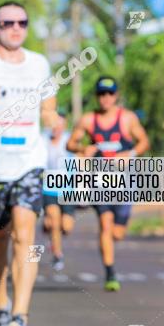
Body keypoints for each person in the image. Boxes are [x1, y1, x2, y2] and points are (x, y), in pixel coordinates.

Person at [0, 1, 59, 326]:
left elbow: (48, 108)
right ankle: (0, 303)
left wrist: (54, 120)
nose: (15, 28)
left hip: (30, 161)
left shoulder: (39, 64)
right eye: (8, 23)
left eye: (22, 22)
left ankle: (21, 314)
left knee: (25, 234)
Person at [67, 77, 149, 292]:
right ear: (97, 96)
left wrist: (128, 154)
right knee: (105, 224)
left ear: (116, 96)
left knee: (117, 233)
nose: (106, 98)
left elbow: (144, 142)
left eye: (110, 93)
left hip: (124, 180)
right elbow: (71, 143)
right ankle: (110, 272)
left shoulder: (127, 119)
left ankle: (113, 249)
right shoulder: (88, 120)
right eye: (102, 94)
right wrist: (83, 149)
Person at [42, 111, 76, 272]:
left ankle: (48, 228)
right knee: (54, 221)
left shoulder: (69, 140)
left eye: (60, 125)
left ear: (64, 126)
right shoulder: (43, 139)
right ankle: (57, 254)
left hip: (67, 189)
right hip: (48, 189)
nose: (57, 128)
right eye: (54, 125)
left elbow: (80, 160)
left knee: (66, 227)